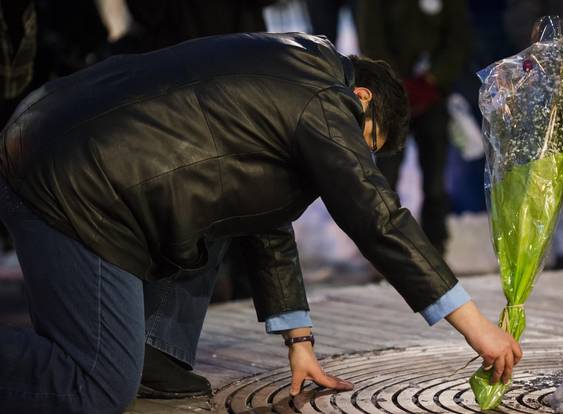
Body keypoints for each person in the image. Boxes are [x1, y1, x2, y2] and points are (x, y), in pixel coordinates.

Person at [0, 32, 520, 413]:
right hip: (73, 183)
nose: (358, 158)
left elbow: (261, 211)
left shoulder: (293, 65)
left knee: (211, 224)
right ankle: (122, 362)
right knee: (93, 385)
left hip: (66, 145)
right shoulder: (324, 98)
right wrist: (476, 328)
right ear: (361, 99)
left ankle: (150, 353)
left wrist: (300, 342)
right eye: (367, 144)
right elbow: (375, 215)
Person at [357, 0, 472, 254]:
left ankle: (435, 247)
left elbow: (458, 36)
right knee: (386, 177)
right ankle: (384, 246)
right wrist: (396, 85)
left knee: (436, 180)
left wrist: (434, 80)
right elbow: (370, 37)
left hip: (433, 96)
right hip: (389, 97)